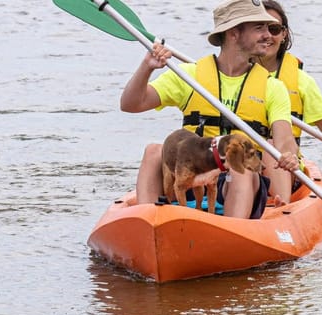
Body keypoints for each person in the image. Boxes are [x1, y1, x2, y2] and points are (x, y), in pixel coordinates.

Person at [120, 0, 300, 219]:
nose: (267, 35)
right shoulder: (189, 76)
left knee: (240, 165)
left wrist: (288, 154)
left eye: (269, 28)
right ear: (233, 33)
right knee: (153, 151)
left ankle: (233, 231)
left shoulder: (272, 87)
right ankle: (148, 223)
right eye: (259, 28)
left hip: (235, 183)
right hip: (192, 171)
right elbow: (130, 104)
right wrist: (146, 68)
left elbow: (284, 138)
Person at [256, 0, 322, 205]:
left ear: (284, 34)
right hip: (240, 159)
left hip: (284, 163)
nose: (267, 36)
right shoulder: (232, 74)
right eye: (259, 28)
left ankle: (282, 206)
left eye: (274, 29)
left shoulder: (301, 81)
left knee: (270, 146)